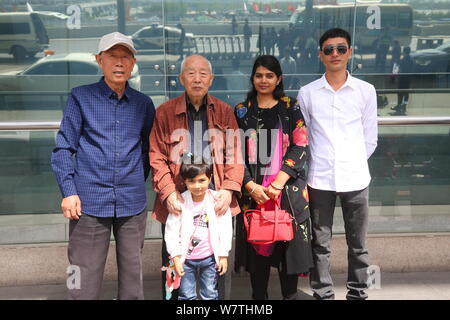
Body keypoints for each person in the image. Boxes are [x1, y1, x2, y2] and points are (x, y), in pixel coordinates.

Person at [51, 32, 155, 300]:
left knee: (133, 279)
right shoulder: (80, 97)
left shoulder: (143, 104)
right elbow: (63, 147)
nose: (119, 63)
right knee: (81, 276)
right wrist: (69, 191)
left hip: (131, 203)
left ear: (133, 63)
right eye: (112, 56)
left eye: (125, 57)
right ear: (100, 60)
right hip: (87, 202)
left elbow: (147, 150)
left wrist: (134, 178)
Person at [149, 54, 244, 300]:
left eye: (203, 74)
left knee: (217, 262)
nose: (197, 79)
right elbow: (156, 155)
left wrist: (229, 189)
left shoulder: (224, 111)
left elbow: (235, 153)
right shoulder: (165, 113)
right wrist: (168, 192)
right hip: (179, 202)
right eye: (191, 73)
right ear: (181, 78)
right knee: (176, 261)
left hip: (216, 200)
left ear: (211, 79)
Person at [298, 28, 378, 300]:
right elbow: (303, 137)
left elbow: (370, 138)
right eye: (329, 49)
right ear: (321, 55)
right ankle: (323, 293)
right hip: (319, 179)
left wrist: (351, 162)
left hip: (356, 178)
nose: (335, 54)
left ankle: (358, 293)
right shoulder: (307, 93)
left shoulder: (366, 91)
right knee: (320, 243)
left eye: (341, 49)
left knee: (358, 245)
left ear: (350, 53)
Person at [234, 55, 313, 300]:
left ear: (278, 78)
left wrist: (278, 183)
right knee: (258, 262)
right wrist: (250, 185)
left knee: (287, 254)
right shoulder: (242, 111)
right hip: (255, 195)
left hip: (286, 194)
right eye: (259, 75)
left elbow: (301, 145)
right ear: (252, 78)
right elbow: (233, 153)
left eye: (269, 75)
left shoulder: (290, 106)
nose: (264, 80)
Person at [165, 156, 232, 300]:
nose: (197, 186)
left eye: (202, 180)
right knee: (186, 295)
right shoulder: (180, 202)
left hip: (210, 259)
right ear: (184, 181)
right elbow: (171, 231)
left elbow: (226, 229)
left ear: (210, 177)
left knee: (210, 294)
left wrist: (223, 254)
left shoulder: (217, 201)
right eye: (191, 181)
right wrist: (176, 256)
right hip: (186, 260)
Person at [391, 46, 414, 115]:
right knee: (406, 93)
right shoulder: (411, 59)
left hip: (402, 78)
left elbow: (400, 69)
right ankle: (404, 106)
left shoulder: (403, 60)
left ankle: (399, 105)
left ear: (403, 52)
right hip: (408, 79)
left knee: (400, 92)